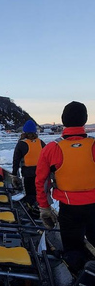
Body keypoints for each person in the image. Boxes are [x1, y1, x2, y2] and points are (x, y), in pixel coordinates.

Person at [36, 101, 95, 273]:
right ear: (84, 120)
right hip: (93, 207)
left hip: (69, 209)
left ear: (63, 120)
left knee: (73, 249)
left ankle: (78, 280)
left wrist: (44, 207)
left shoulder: (51, 148)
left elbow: (41, 181)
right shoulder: (93, 145)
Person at [12, 120, 46, 208]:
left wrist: (14, 174)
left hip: (27, 173)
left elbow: (16, 160)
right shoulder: (41, 142)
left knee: (29, 193)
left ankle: (31, 207)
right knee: (38, 192)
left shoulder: (21, 144)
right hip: (40, 173)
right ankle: (40, 207)